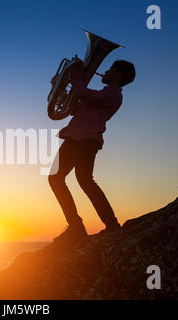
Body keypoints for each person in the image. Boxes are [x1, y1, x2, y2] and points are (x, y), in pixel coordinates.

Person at [48, 60, 136, 243]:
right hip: (76, 138)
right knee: (67, 179)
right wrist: (60, 88)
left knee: (79, 181)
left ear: (118, 75)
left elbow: (84, 93)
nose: (106, 71)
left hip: (86, 140)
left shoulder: (113, 95)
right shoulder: (102, 94)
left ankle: (91, 226)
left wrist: (75, 76)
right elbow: (74, 108)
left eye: (111, 69)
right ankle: (83, 226)